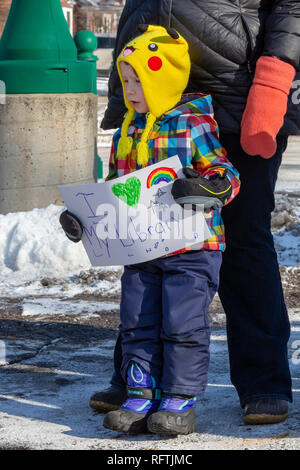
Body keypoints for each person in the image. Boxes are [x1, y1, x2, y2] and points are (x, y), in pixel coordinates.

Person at [89, 0, 300, 426]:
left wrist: (274, 80)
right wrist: (123, 88)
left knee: (240, 238)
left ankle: (262, 379)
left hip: (232, 90)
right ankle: (138, 379)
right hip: (151, 88)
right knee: (143, 240)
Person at [61, 24, 240, 435]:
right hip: (140, 247)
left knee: (182, 322)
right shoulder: (128, 127)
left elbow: (225, 172)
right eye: (124, 81)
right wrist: (83, 217)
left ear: (161, 80)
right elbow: (112, 190)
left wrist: (208, 186)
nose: (129, 89)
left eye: (137, 81)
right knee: (137, 321)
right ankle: (142, 392)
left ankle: (179, 398)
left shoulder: (193, 124)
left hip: (192, 245)